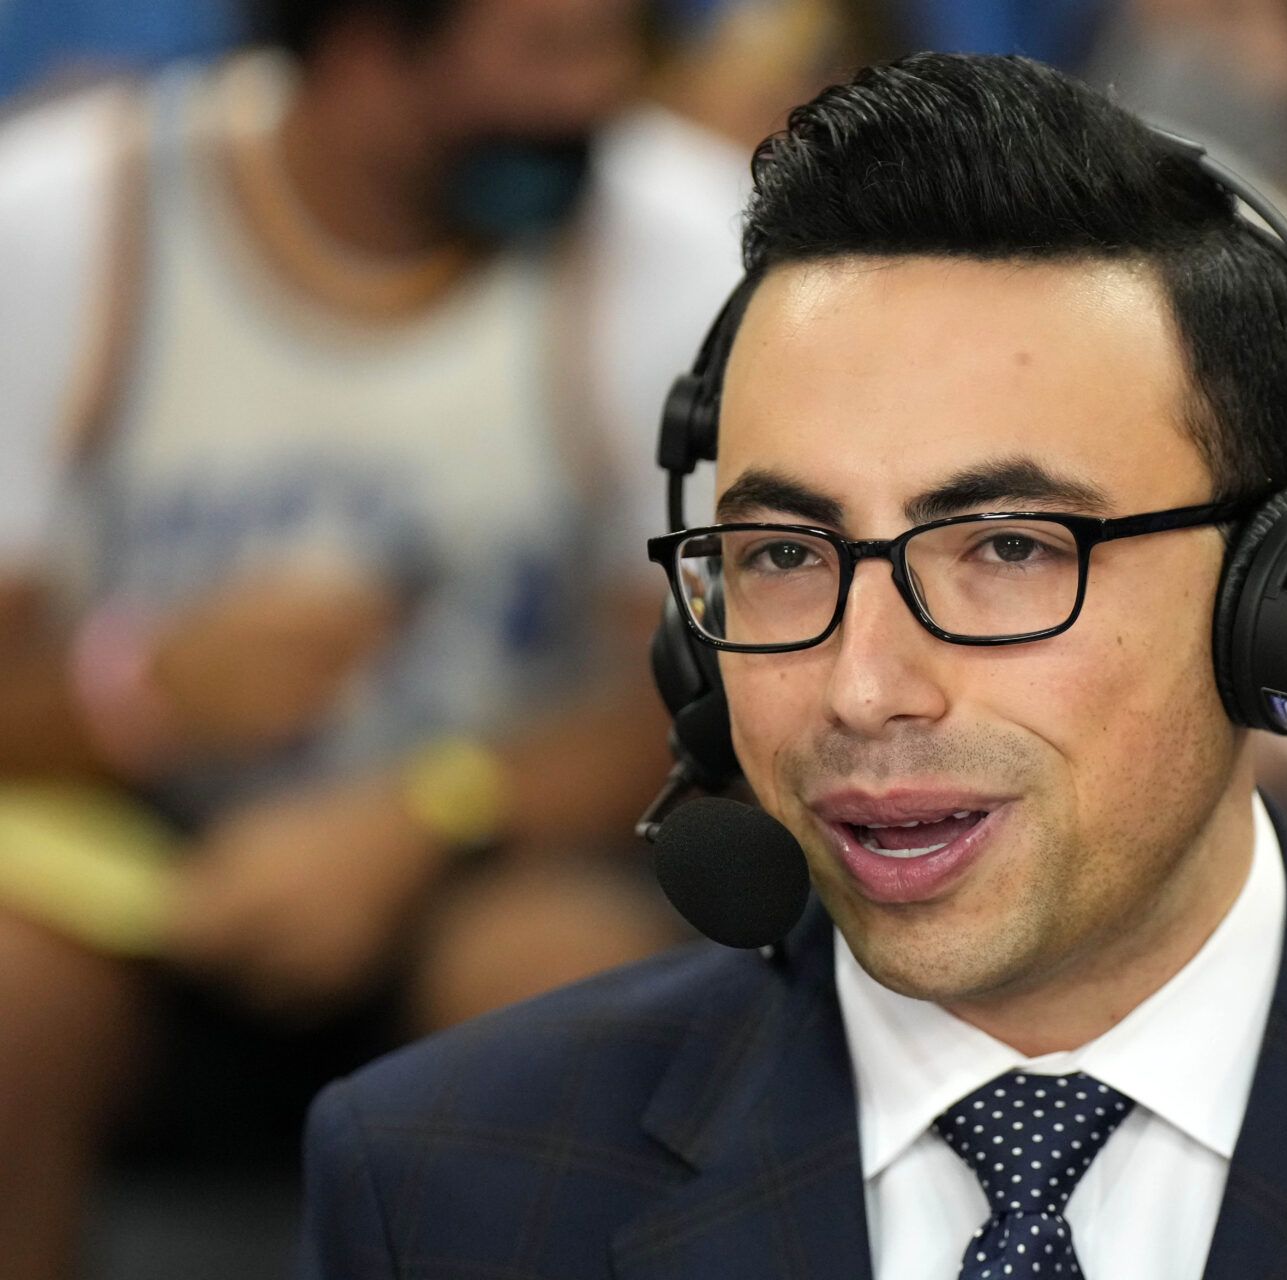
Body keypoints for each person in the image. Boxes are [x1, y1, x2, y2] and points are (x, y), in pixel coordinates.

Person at [297, 53, 1287, 1279]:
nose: (862, 690)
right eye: (782, 557)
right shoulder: (445, 1188)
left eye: (1008, 551)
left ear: (1280, 608)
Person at [0, 0, 740, 1273]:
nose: (600, 99)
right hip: (133, 843)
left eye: (623, 46)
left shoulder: (676, 236)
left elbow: (709, 692)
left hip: (492, 834)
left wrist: (419, 813)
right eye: (551, 52)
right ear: (359, 47)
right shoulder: (72, 217)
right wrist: (132, 693)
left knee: (566, 995)